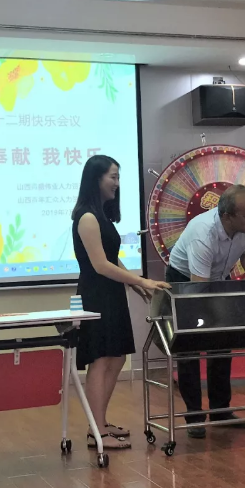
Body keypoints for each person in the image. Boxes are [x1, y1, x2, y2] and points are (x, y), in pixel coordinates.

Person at [72, 155, 170, 450]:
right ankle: (96, 431)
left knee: (116, 358)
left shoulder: (101, 215)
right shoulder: (87, 218)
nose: (117, 183)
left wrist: (136, 284)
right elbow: (100, 265)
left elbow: (113, 260)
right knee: (100, 360)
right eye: (112, 177)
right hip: (96, 296)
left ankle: (100, 424)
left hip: (112, 294)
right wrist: (143, 281)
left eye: (118, 177)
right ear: (96, 179)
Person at [167, 184, 245, 438]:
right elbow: (199, 286)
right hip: (186, 280)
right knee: (190, 346)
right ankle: (194, 416)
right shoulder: (203, 233)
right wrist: (208, 317)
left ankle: (220, 411)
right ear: (227, 216)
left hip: (217, 276)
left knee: (222, 342)